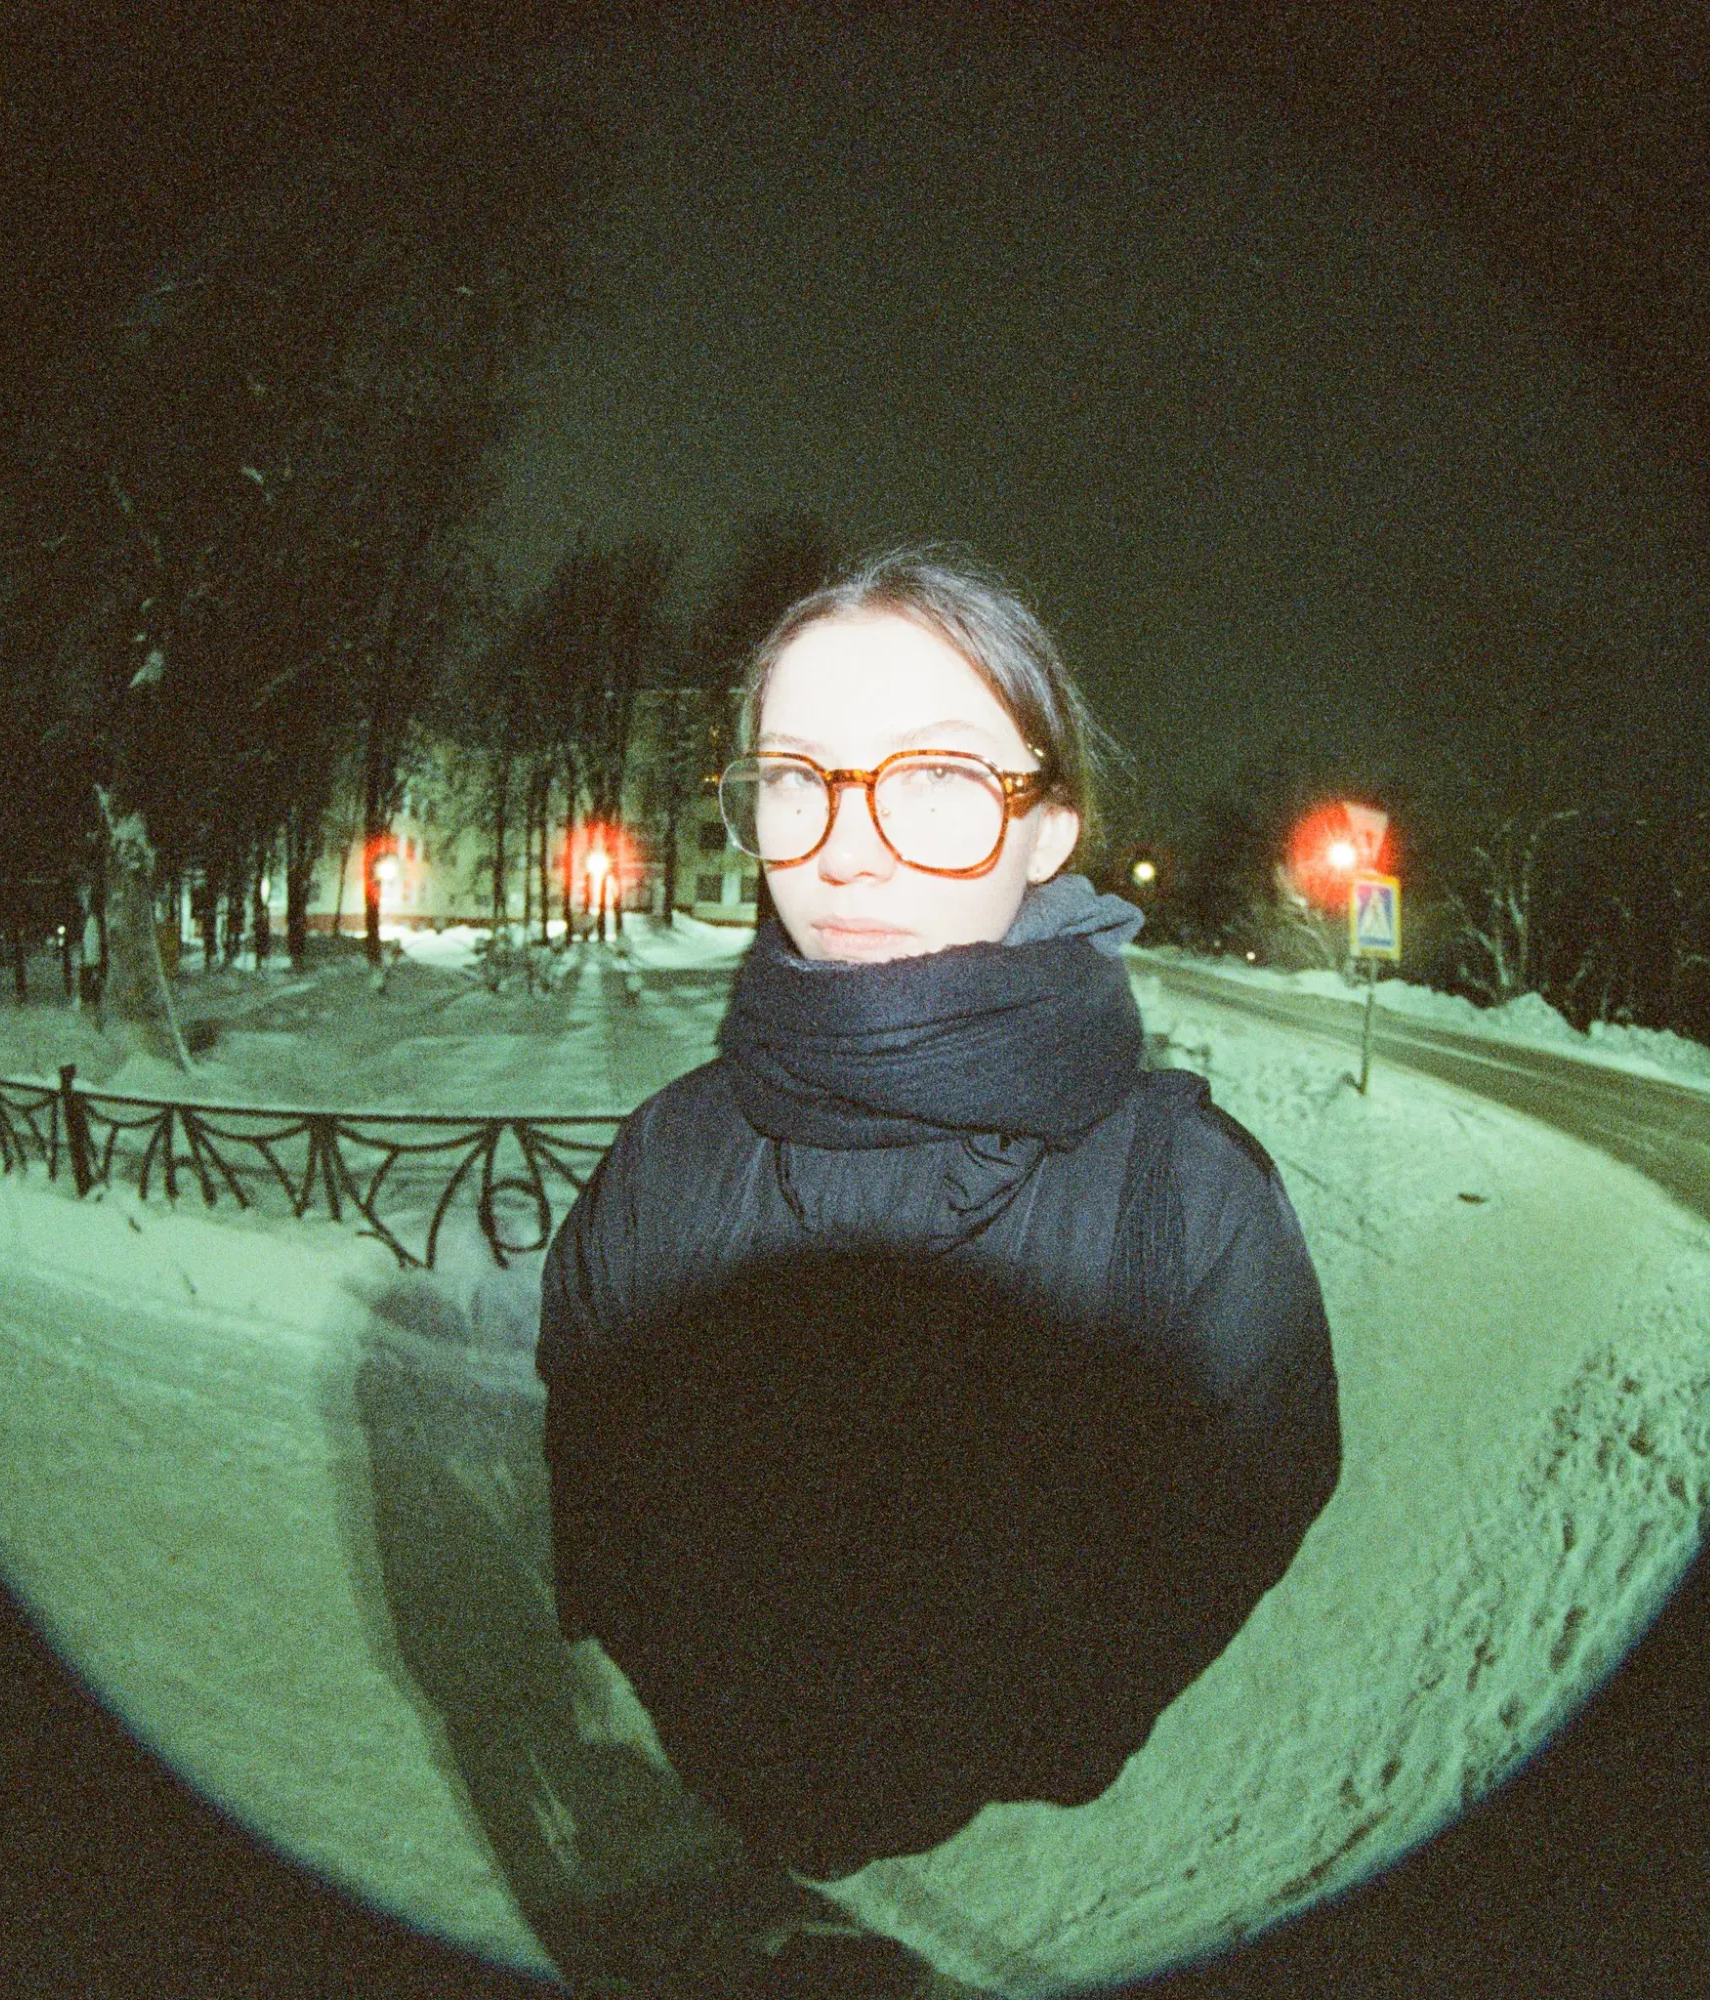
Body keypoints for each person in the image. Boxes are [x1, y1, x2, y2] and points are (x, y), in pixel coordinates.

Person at [530, 547, 1344, 1941]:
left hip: (1024, 1823)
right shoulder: (667, 1152)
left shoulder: (1190, 1202)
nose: (845, 846)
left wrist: (1050, 1721)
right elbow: (591, 1432)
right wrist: (673, 1674)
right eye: (797, 777)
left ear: (1047, 827)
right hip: (710, 1765)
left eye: (937, 778)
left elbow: (1253, 1491)